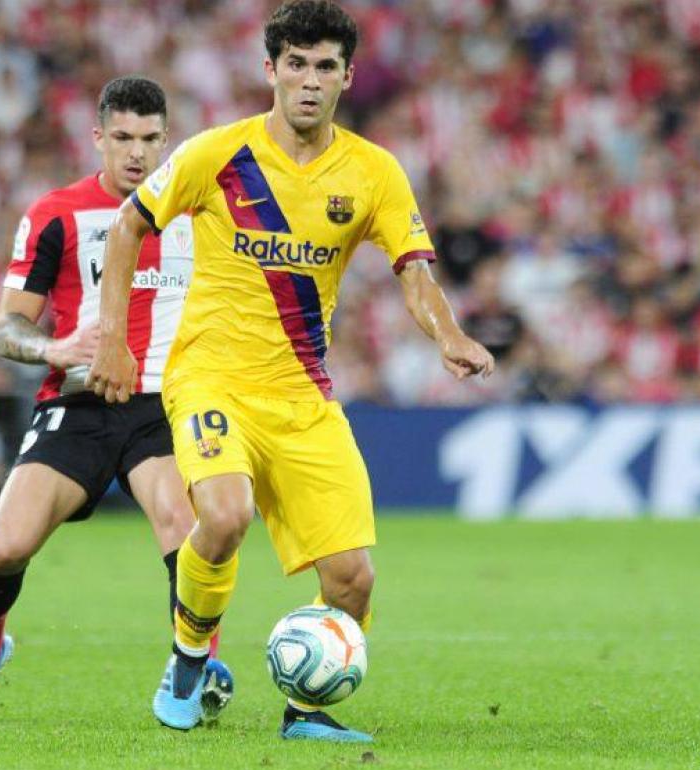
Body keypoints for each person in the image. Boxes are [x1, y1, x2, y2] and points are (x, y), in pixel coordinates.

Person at [88, 1, 494, 742]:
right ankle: (187, 660)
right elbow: (128, 226)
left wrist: (449, 332)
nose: (310, 81)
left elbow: (414, 270)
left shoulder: (373, 172)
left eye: (325, 67)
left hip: (302, 394)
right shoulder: (217, 154)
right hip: (210, 377)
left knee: (353, 578)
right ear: (270, 69)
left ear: (347, 76)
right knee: (225, 514)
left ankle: (306, 712)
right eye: (297, 64)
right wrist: (113, 339)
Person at [0, 76, 227, 724]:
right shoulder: (55, 214)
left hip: (163, 405)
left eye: (150, 139)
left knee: (187, 530)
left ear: (166, 139)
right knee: (6, 545)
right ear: (97, 138)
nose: (137, 154)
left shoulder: (201, 216)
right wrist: (54, 347)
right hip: (79, 401)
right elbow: (7, 327)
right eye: (122, 137)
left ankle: (193, 663)